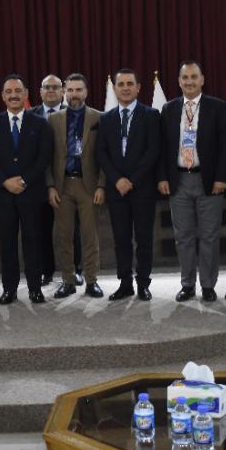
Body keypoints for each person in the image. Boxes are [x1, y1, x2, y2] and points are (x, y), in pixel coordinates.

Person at [157, 60, 226, 302]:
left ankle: (208, 285)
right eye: (185, 77)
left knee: (209, 236)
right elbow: (162, 147)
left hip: (208, 181)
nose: (189, 81)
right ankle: (187, 284)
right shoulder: (168, 109)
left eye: (193, 77)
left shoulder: (217, 107)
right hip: (179, 180)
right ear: (179, 81)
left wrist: (221, 177)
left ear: (202, 80)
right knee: (184, 237)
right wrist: (162, 177)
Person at [0, 74, 53, 305]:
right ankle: (9, 289)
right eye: (9, 91)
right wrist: (5, 182)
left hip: (31, 193)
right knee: (7, 243)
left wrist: (24, 181)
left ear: (26, 95)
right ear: (3, 96)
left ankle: (35, 288)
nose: (13, 95)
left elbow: (44, 157)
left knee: (33, 242)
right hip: (3, 195)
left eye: (17, 91)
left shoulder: (40, 123)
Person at [96, 69, 160, 301]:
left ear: (138, 87)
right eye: (120, 84)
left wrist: (132, 180)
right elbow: (101, 153)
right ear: (114, 88)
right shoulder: (106, 119)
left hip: (142, 188)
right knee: (121, 239)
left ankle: (143, 283)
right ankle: (125, 284)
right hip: (116, 190)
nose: (125, 88)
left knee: (144, 239)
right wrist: (117, 179)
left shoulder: (151, 115)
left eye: (129, 83)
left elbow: (153, 151)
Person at [45, 74, 104, 298]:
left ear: (86, 92)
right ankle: (68, 280)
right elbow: (46, 157)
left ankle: (91, 281)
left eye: (78, 90)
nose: (74, 94)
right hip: (62, 186)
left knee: (90, 236)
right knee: (64, 237)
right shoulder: (53, 119)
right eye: (70, 90)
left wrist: (102, 186)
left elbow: (105, 155)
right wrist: (50, 186)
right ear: (64, 92)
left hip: (89, 185)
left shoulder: (99, 117)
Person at [30, 74, 72, 286]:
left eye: (55, 87)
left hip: (68, 181)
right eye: (47, 87)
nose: (51, 90)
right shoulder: (29, 115)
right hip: (37, 183)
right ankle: (46, 271)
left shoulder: (73, 113)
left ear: (63, 90)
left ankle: (75, 270)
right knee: (41, 230)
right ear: (40, 91)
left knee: (71, 230)